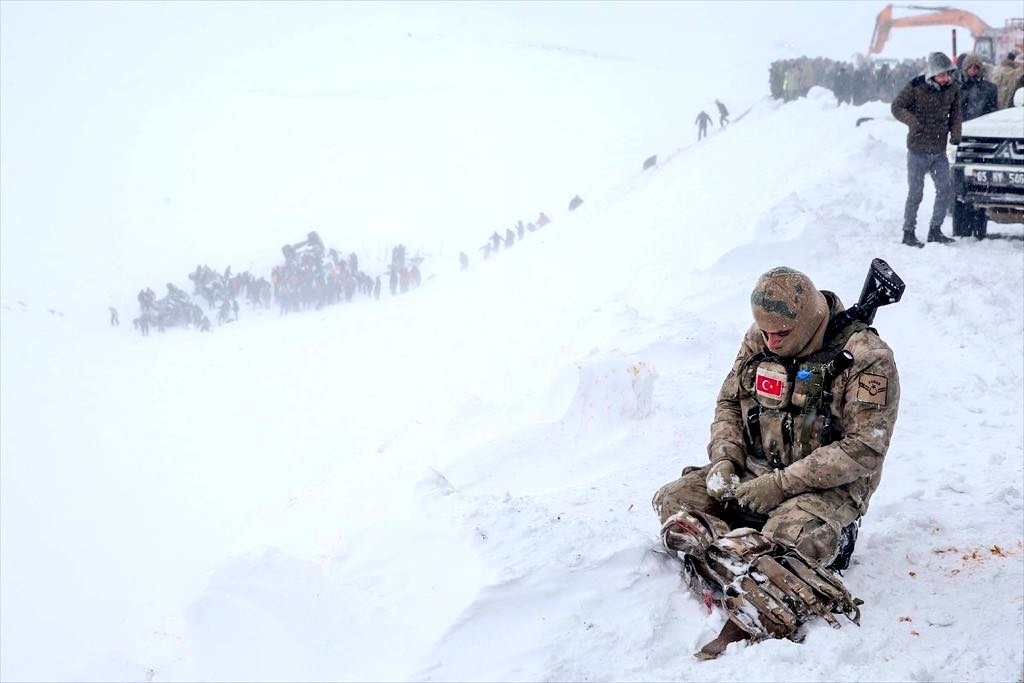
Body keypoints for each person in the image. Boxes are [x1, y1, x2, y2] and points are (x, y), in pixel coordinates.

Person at [652, 266, 900, 658]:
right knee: (674, 500)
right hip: (753, 470)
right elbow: (729, 403)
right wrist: (724, 460)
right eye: (764, 332)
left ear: (810, 321)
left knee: (791, 540)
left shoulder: (868, 359)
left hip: (824, 489)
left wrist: (782, 485)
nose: (770, 341)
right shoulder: (761, 338)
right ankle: (740, 555)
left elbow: (864, 448)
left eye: (781, 334)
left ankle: (757, 565)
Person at [891, 52, 961, 247]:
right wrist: (913, 122)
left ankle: (935, 230)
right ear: (932, 74)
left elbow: (956, 113)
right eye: (942, 75)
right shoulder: (915, 86)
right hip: (917, 150)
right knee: (916, 192)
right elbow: (896, 107)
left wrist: (956, 133)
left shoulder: (953, 88)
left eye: (948, 74)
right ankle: (908, 232)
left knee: (945, 189)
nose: (946, 78)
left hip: (939, 151)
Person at [959, 53, 998, 121]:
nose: (973, 69)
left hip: (982, 125)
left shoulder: (989, 88)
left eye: (975, 67)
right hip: (965, 125)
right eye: (970, 67)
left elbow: (993, 109)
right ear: (965, 69)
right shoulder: (960, 87)